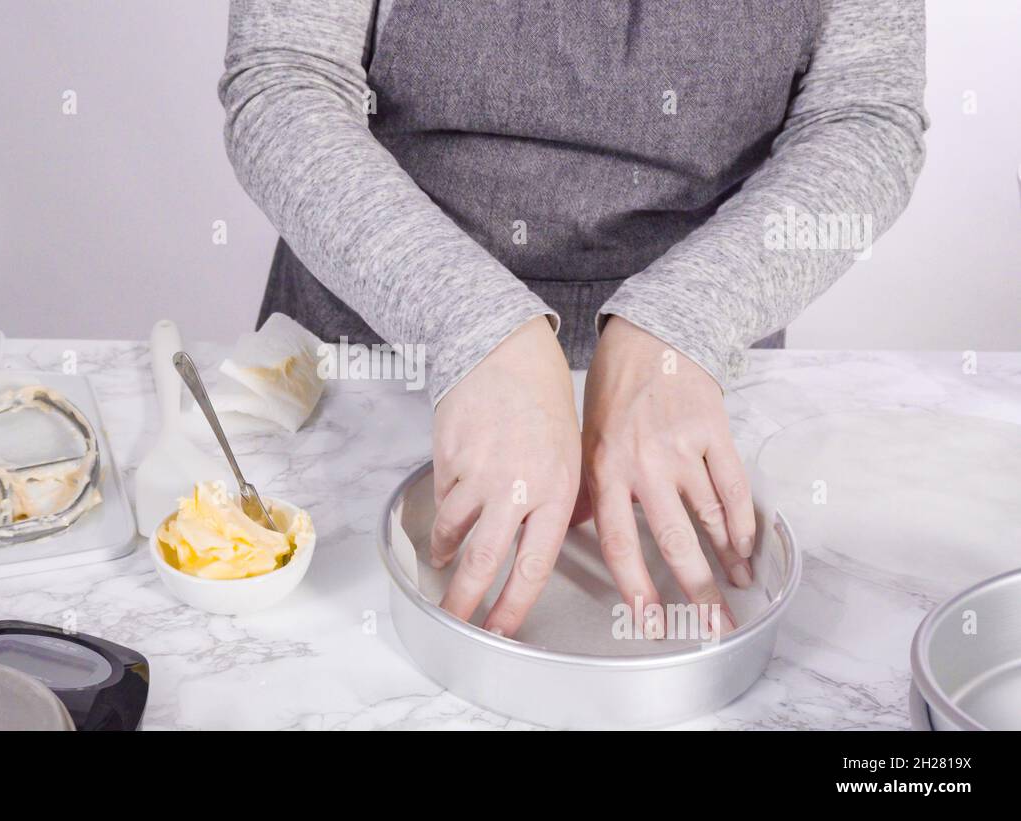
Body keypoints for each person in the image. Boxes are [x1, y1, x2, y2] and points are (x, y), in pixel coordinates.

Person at [219, 0, 927, 638]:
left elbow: (865, 118)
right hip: (375, 359)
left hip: (690, 384)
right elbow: (284, 82)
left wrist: (680, 323)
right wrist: (475, 326)